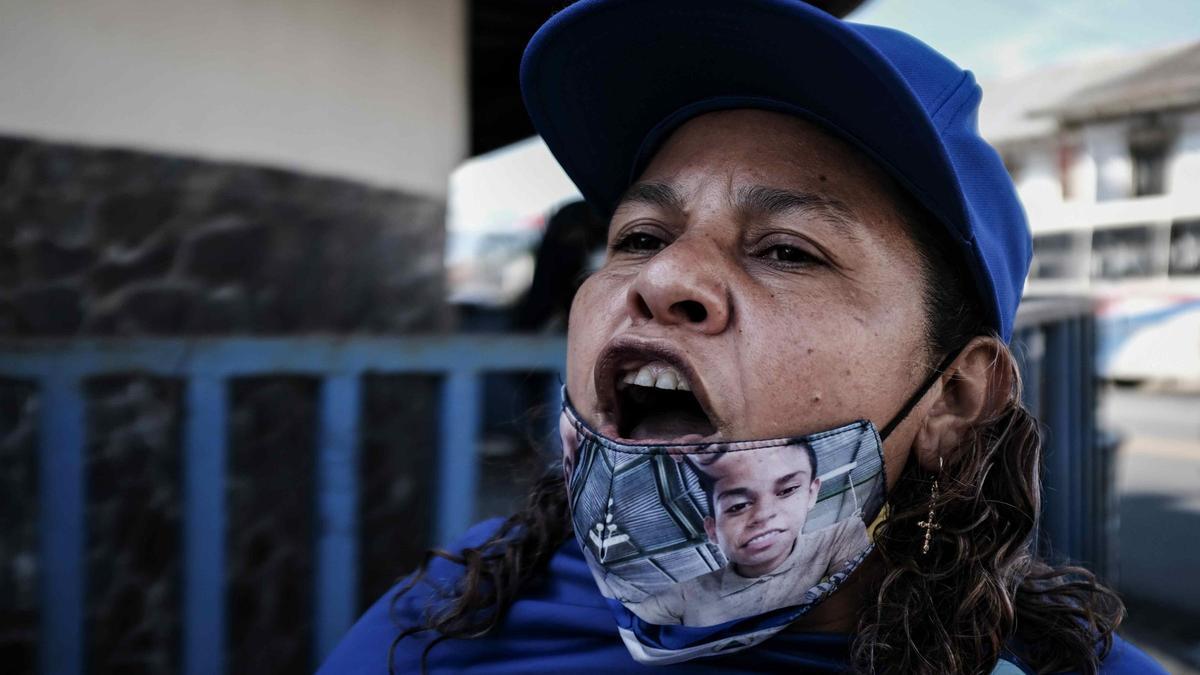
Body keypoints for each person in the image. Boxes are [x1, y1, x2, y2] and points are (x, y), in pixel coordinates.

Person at [320, 1, 1166, 673]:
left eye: (788, 251)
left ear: (954, 394)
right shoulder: (453, 607)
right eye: (641, 236)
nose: (662, 280)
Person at [627, 442, 870, 626]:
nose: (764, 515)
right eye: (738, 506)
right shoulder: (687, 594)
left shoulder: (839, 539)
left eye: (787, 490)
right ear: (712, 530)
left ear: (811, 493)